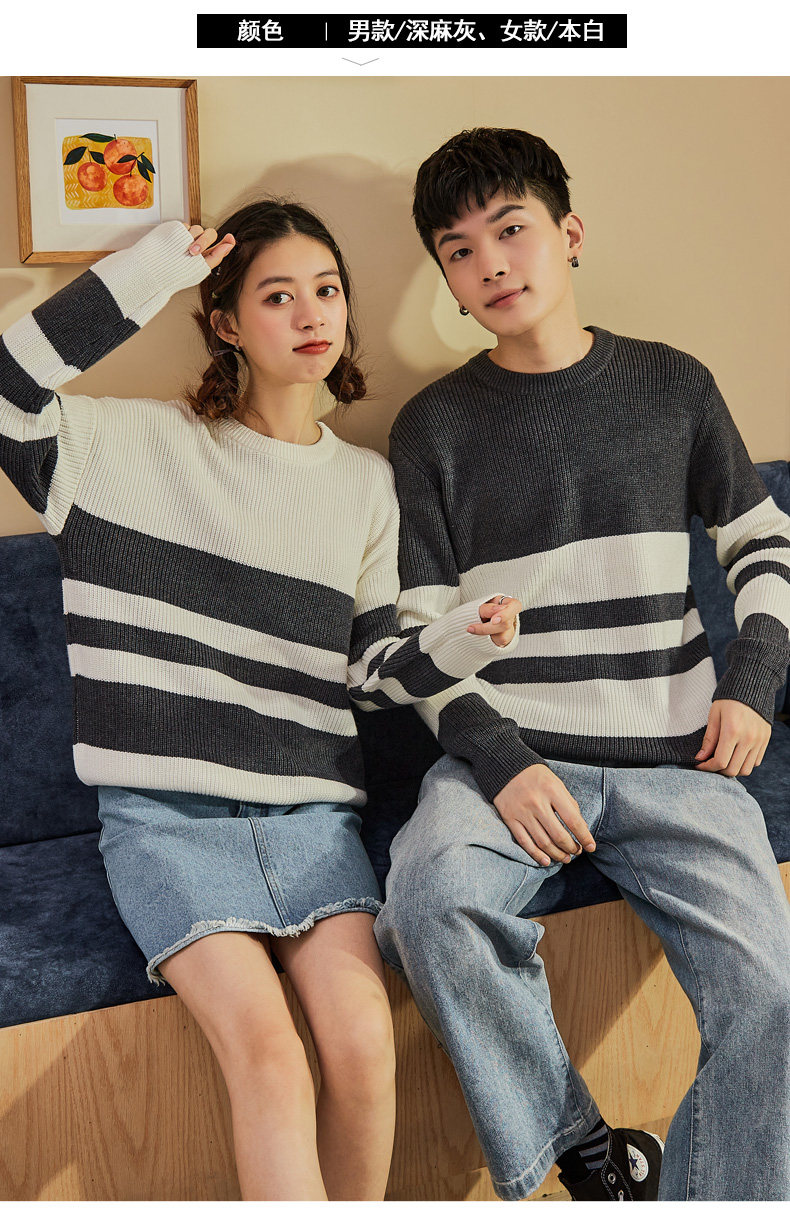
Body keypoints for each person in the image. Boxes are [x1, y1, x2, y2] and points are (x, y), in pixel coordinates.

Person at [0, 200, 523, 1200]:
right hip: (165, 823)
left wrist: (459, 639)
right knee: (271, 1058)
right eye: (276, 296)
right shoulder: (118, 448)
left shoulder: (366, 484)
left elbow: (371, 672)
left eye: (326, 290)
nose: (311, 313)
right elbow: (5, 388)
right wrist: (150, 268)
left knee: (365, 1045)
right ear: (225, 323)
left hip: (310, 820)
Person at [373, 127, 790, 1201]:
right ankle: (583, 1151)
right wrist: (503, 762)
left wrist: (752, 682)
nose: (491, 264)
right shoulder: (430, 430)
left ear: (569, 233)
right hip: (508, 764)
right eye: (459, 251)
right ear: (448, 280)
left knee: (772, 995)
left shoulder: (673, 385)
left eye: (510, 230)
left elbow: (763, 544)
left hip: (678, 759)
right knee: (427, 901)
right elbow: (421, 639)